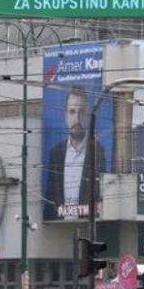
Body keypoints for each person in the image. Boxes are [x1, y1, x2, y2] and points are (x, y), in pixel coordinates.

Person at [44, 89, 106, 218]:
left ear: (88, 116)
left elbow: (102, 195)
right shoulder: (56, 153)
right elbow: (50, 198)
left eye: (81, 112)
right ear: (65, 115)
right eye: (72, 112)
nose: (77, 119)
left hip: (87, 224)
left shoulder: (97, 151)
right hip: (59, 225)